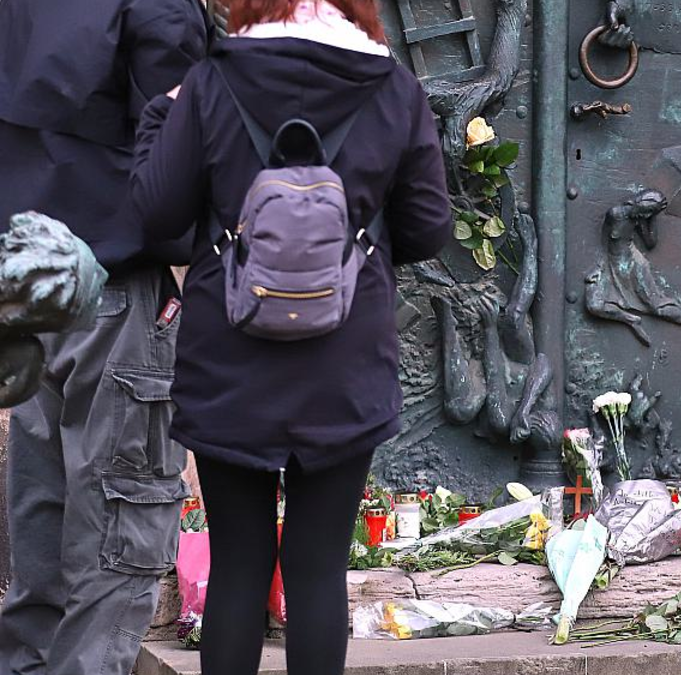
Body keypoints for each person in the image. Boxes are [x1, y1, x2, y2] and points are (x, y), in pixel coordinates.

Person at [129, 1, 452, 673]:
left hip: (230, 357)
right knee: (316, 567)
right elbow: (427, 227)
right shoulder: (394, 88)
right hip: (346, 359)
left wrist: (163, 113)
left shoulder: (212, 82)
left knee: (240, 565)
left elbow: (157, 212)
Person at [0, 1, 208, 674]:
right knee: (117, 556)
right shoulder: (158, 6)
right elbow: (177, 161)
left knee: (41, 552)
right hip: (118, 288)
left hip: (32, 289)